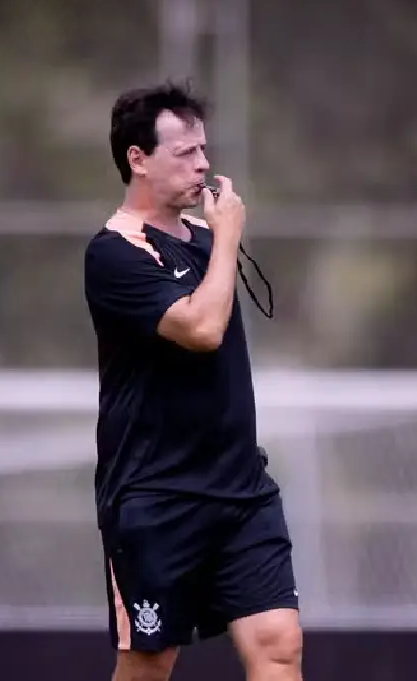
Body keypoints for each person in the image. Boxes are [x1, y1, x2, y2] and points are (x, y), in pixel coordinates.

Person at [83, 82, 300, 681]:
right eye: (185, 153)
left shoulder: (207, 244)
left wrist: (217, 241)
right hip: (157, 496)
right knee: (149, 666)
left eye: (204, 149)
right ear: (138, 159)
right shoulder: (113, 254)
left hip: (240, 489)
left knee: (279, 643)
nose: (204, 165)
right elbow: (202, 328)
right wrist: (228, 234)